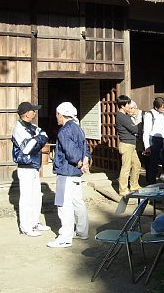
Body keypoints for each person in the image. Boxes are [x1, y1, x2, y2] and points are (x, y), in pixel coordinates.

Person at [48, 102, 91, 248]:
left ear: (61, 114)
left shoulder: (64, 131)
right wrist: (85, 162)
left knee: (64, 204)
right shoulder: (78, 128)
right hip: (76, 173)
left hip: (66, 171)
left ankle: (65, 237)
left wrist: (79, 163)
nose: (56, 117)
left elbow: (70, 151)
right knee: (77, 202)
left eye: (57, 114)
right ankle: (82, 232)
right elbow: (85, 147)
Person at [11, 101, 50, 237]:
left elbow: (43, 135)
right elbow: (27, 148)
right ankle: (26, 226)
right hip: (25, 166)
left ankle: (34, 222)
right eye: (33, 110)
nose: (35, 112)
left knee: (36, 195)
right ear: (26, 114)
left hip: (34, 165)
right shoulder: (19, 129)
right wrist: (38, 139)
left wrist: (37, 139)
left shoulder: (31, 127)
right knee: (27, 197)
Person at [115, 94, 141, 195]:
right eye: (127, 104)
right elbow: (134, 129)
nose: (129, 106)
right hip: (126, 144)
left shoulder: (124, 116)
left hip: (130, 144)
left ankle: (134, 185)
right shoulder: (122, 117)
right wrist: (140, 123)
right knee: (126, 167)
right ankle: (123, 189)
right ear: (122, 106)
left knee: (137, 164)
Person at [142, 97, 164, 185]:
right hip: (154, 139)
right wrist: (147, 146)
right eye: (162, 107)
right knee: (153, 164)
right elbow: (146, 131)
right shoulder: (149, 114)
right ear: (156, 107)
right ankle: (152, 184)